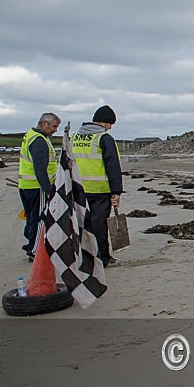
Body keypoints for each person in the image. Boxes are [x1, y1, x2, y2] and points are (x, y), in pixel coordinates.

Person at [72, 105, 123, 268]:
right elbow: (113, 165)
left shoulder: (74, 138)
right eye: (110, 124)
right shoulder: (104, 139)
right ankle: (102, 257)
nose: (110, 128)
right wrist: (116, 191)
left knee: (81, 224)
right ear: (105, 122)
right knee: (99, 225)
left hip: (78, 189)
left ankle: (83, 256)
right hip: (100, 190)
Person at [18, 113, 60, 261]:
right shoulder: (39, 141)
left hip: (26, 185)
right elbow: (40, 169)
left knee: (31, 217)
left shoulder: (30, 135)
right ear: (44, 123)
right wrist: (48, 190)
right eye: (54, 126)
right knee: (39, 218)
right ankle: (35, 251)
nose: (56, 130)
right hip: (37, 187)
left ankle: (31, 244)